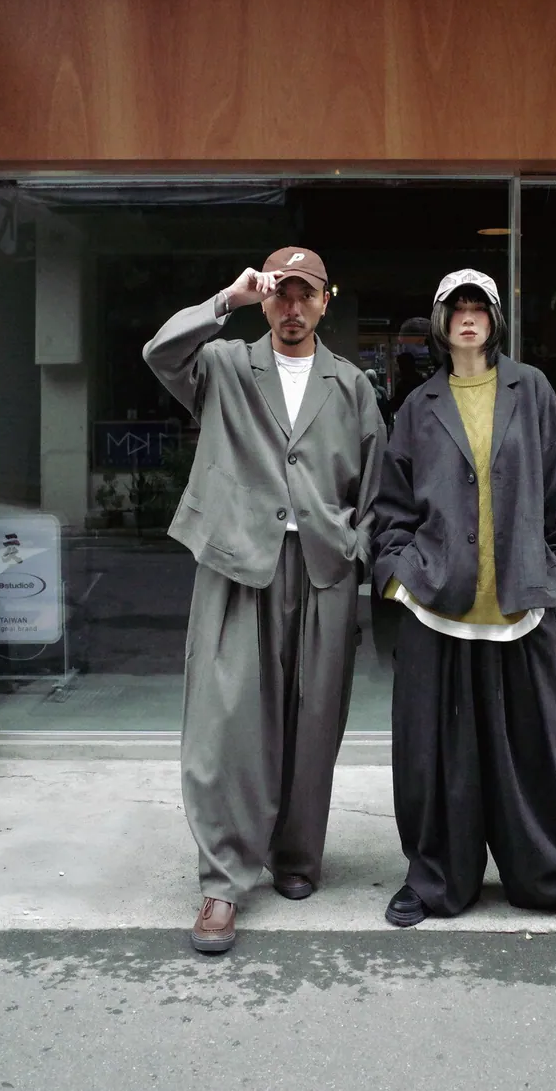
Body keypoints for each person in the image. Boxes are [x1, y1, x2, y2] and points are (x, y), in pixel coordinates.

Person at [143, 246, 386, 953]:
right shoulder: (224, 366)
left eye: (305, 294)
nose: (292, 306)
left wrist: (355, 549)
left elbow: (377, 487)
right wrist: (228, 299)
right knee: (226, 722)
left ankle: (297, 854)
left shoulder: (351, 385)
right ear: (266, 297)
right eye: (281, 292)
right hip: (236, 563)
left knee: (315, 717)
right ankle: (223, 880)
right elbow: (160, 353)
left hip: (322, 569)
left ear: (325, 301)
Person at [372, 268, 556, 930]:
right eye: (456, 306)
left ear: (494, 320)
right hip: (438, 605)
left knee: (533, 753)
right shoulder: (419, 405)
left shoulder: (531, 389)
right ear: (441, 321)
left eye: (478, 306)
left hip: (520, 602)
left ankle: (555, 878)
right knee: (438, 759)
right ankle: (433, 879)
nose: (468, 316)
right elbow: (392, 505)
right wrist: (398, 573)